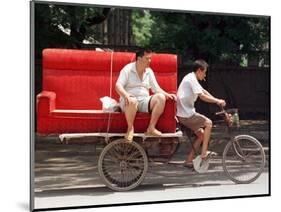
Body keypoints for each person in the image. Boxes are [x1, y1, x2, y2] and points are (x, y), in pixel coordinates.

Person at [115, 49, 176, 142]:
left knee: (160, 97)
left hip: (144, 101)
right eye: (147, 58)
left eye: (150, 58)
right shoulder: (127, 69)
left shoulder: (149, 71)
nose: (150, 61)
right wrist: (126, 95)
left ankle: (151, 128)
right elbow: (118, 86)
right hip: (129, 102)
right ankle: (130, 128)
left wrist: (167, 94)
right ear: (139, 59)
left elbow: (156, 89)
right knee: (132, 100)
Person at [176, 59, 226, 167]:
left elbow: (203, 91)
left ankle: (189, 160)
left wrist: (216, 100)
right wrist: (217, 101)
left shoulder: (192, 78)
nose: (205, 75)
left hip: (184, 113)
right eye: (204, 72)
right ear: (199, 70)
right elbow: (202, 96)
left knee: (201, 134)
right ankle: (204, 153)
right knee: (208, 123)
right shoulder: (191, 79)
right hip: (186, 115)